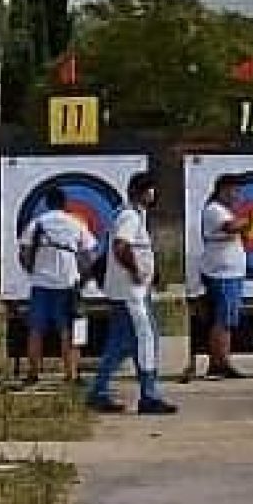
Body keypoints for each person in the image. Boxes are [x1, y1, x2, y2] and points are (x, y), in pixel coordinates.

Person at [88, 171, 178, 415]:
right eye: (152, 189)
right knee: (147, 337)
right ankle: (148, 396)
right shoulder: (129, 216)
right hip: (131, 291)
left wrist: (150, 273)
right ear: (145, 191)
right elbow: (121, 247)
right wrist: (137, 271)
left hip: (125, 290)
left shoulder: (128, 213)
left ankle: (98, 392)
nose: (154, 194)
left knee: (119, 344)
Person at [18, 186, 97, 388]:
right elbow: (89, 255)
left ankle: (33, 374)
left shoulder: (36, 223)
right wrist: (85, 278)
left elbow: (25, 253)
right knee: (68, 331)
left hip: (40, 284)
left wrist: (32, 271)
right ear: (65, 204)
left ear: (47, 203)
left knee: (36, 330)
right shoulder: (75, 223)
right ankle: (70, 375)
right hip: (68, 283)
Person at [198, 174, 249, 380]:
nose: (238, 195)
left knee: (226, 320)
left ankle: (221, 362)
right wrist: (250, 220)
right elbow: (230, 227)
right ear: (223, 190)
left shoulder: (223, 210)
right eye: (235, 191)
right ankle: (220, 364)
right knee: (223, 321)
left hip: (229, 273)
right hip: (223, 273)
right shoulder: (214, 210)